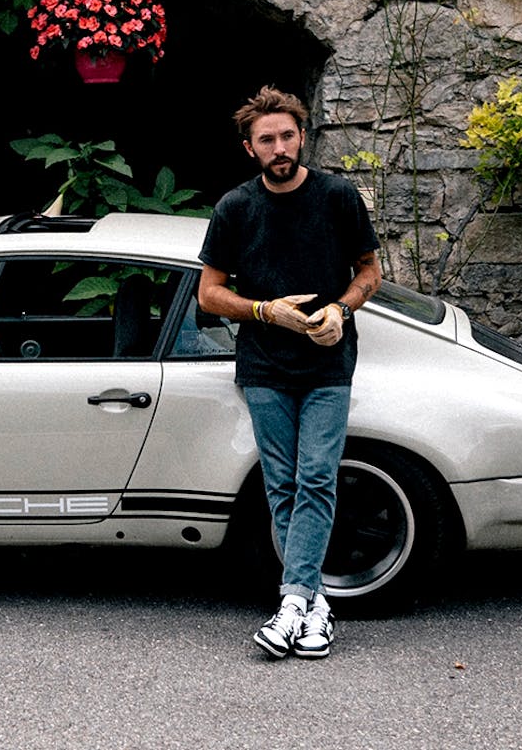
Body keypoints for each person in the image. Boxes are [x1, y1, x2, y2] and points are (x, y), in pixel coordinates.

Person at [196, 86, 380, 659]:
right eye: (266, 140)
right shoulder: (235, 208)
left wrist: (340, 310)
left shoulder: (337, 197)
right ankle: (314, 606)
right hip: (264, 367)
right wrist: (264, 311)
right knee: (282, 485)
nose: (279, 148)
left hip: (328, 364)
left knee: (317, 479)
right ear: (249, 148)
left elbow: (370, 272)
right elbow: (208, 293)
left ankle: (292, 601)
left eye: (286, 136)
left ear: (302, 137)